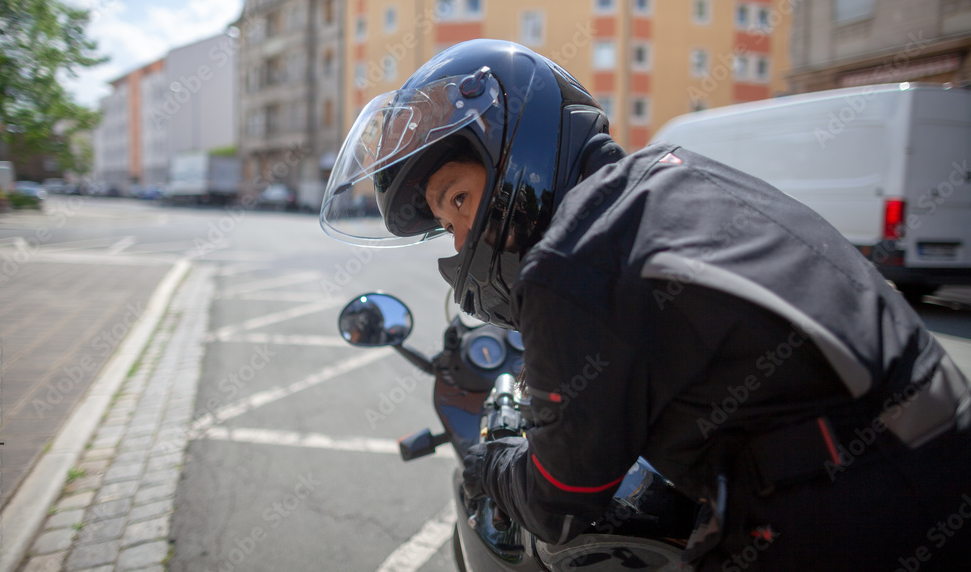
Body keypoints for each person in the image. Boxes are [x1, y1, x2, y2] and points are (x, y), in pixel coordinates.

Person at [320, 40, 971, 570]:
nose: (460, 239)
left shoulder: (570, 263)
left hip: (867, 506)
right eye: (445, 220)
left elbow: (562, 499)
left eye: (458, 200)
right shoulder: (667, 174)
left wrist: (489, 463)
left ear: (517, 151)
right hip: (933, 444)